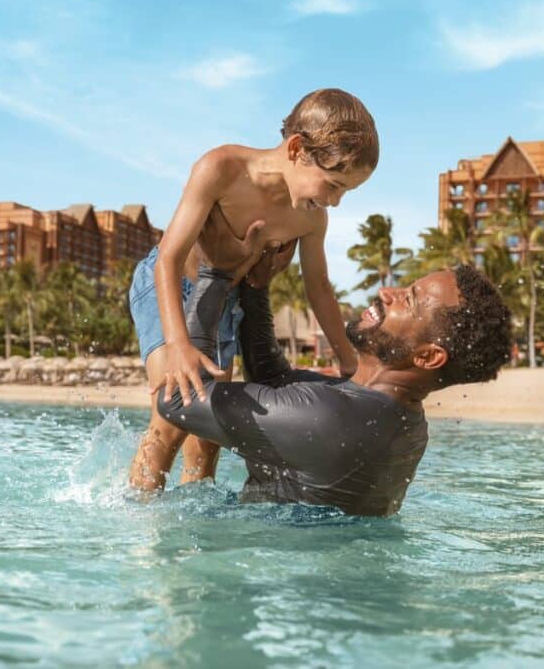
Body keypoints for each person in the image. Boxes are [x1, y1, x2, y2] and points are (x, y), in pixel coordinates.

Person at [129, 243, 512, 516]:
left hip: (275, 573)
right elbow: (273, 379)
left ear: (427, 356)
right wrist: (257, 286)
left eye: (407, 300)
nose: (387, 293)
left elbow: (176, 402)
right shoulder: (390, 417)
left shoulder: (333, 419)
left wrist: (216, 269)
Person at [128, 89, 378, 490]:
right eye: (333, 185)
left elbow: (318, 288)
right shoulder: (223, 168)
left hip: (225, 301)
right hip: (172, 289)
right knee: (174, 416)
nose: (335, 201)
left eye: (345, 191)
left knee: (209, 434)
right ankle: (140, 523)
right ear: (297, 149)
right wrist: (178, 343)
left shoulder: (312, 218)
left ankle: (195, 530)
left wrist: (350, 363)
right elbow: (168, 259)